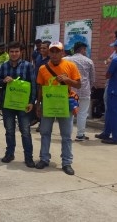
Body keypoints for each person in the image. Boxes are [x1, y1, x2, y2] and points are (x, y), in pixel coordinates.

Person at [35, 41, 81, 176]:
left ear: (62, 53)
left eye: (57, 51)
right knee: (45, 133)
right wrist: (38, 105)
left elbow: (78, 85)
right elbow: (40, 87)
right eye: (52, 51)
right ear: (48, 53)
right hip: (48, 104)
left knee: (66, 135)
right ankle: (44, 159)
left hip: (64, 104)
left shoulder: (70, 66)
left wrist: (68, 80)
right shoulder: (43, 68)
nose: (54, 54)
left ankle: (66, 162)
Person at [0, 41, 36, 168]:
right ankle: (10, 153)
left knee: (25, 131)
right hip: (8, 104)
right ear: (9, 52)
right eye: (12, 51)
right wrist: (3, 81)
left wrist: (31, 102)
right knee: (9, 130)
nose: (14, 54)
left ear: (21, 52)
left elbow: (34, 85)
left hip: (23, 105)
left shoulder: (28, 66)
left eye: (16, 51)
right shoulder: (3, 67)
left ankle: (28, 157)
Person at [96, 38, 117, 145]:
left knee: (114, 114)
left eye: (115, 47)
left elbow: (107, 75)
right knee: (110, 112)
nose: (114, 49)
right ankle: (106, 133)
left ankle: (116, 138)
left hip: (114, 89)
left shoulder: (116, 60)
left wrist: (109, 63)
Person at [64, 42, 95, 141]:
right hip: (84, 91)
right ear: (82, 49)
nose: (85, 52)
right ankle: (80, 135)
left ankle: (67, 135)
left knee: (70, 113)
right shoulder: (89, 61)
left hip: (71, 91)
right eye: (85, 50)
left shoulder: (66, 60)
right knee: (82, 113)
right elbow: (92, 79)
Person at [30, 40, 50, 129]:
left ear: (49, 49)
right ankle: (35, 118)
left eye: (44, 48)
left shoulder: (50, 60)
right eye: (41, 48)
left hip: (46, 85)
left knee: (43, 104)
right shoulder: (38, 56)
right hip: (36, 83)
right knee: (34, 101)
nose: (41, 49)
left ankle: (42, 123)